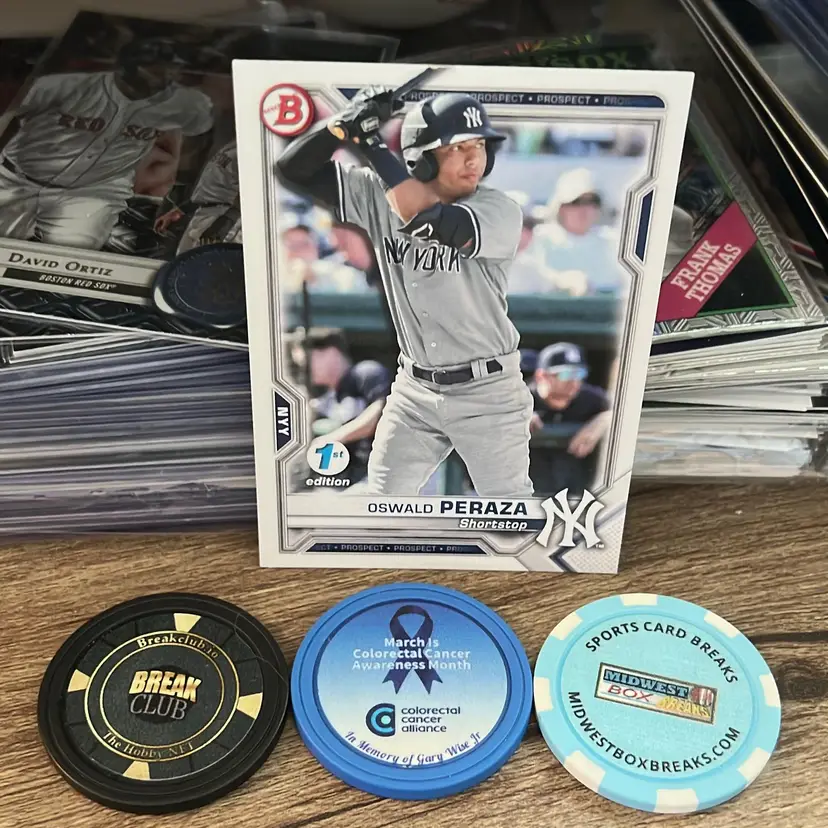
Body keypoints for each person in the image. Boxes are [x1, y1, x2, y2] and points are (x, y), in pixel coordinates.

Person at [276, 87, 532, 497]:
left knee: (507, 511)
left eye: (480, 145)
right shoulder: (377, 194)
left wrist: (370, 142)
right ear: (421, 158)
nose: (473, 159)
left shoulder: (499, 209)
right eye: (457, 147)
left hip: (487, 391)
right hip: (415, 388)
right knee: (381, 501)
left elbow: (428, 219)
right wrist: (341, 126)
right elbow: (293, 170)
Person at [0, 37, 214, 251]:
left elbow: (199, 134)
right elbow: (10, 117)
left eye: (173, 69)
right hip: (15, 179)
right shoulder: (63, 86)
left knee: (75, 252)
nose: (167, 76)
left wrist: (182, 189)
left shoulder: (186, 103)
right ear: (127, 67)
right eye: (157, 70)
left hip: (94, 191)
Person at [292, 328, 392, 488]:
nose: (304, 371)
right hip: (354, 480)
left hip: (386, 476)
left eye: (307, 363)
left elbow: (383, 413)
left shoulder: (366, 373)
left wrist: (331, 438)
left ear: (330, 353)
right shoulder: (329, 399)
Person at [529, 342, 611, 497]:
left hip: (576, 495)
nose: (574, 382)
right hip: (529, 494)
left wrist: (606, 419)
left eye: (579, 374)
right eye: (565, 374)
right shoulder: (521, 398)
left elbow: (626, 409)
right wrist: (516, 415)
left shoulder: (591, 399)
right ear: (541, 376)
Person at [533, 167, 621, 294]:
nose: (585, 209)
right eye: (576, 202)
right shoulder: (539, 240)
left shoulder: (613, 243)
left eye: (592, 202)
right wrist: (560, 281)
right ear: (561, 207)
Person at [154, 138, 241, 253]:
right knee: (184, 259)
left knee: (206, 261)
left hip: (222, 217)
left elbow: (250, 194)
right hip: (204, 213)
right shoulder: (233, 144)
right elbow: (210, 188)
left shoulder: (254, 149)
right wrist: (179, 211)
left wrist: (223, 224)